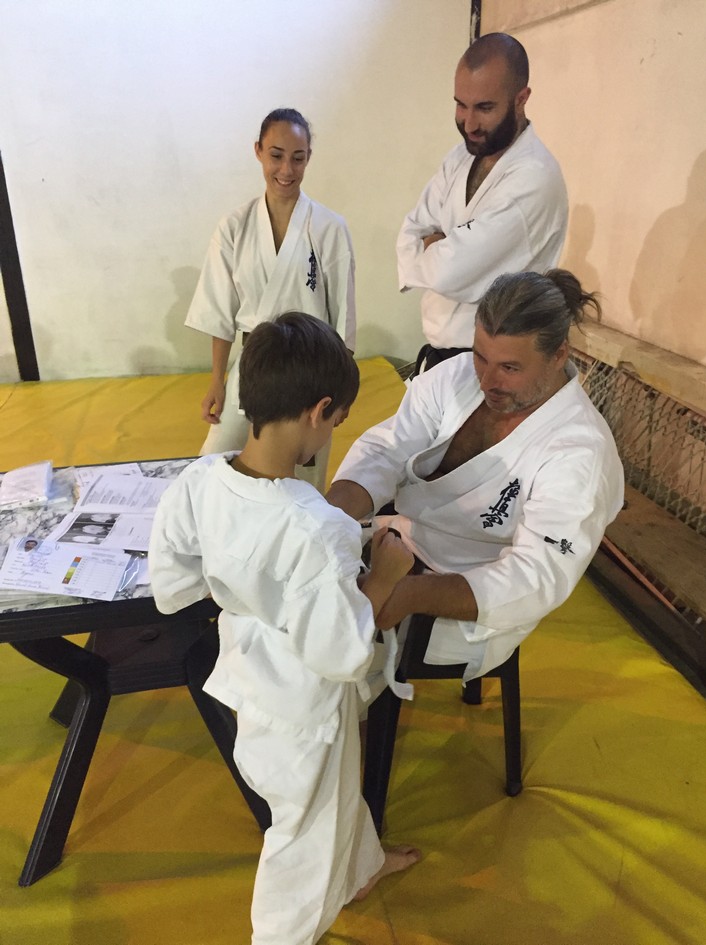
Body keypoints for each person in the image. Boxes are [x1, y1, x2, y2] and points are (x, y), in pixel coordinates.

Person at [149, 313, 420, 945]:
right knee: (301, 836)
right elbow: (342, 653)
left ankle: (361, 869)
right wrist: (383, 575)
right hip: (303, 704)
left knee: (333, 798)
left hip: (250, 674)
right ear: (319, 411)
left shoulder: (201, 479)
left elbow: (172, 583)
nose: (332, 432)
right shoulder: (316, 527)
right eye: (337, 420)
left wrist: (249, 587)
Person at [327, 270, 625, 679]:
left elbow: (537, 576)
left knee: (326, 642)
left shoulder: (579, 450)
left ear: (559, 355)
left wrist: (410, 594)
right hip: (400, 543)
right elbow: (388, 448)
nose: (487, 380)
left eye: (510, 368)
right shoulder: (457, 377)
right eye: (480, 356)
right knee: (299, 589)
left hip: (475, 596)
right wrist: (326, 518)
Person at [185, 108, 356, 491]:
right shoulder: (234, 226)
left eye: (298, 158)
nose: (286, 170)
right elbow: (219, 309)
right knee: (214, 464)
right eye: (276, 156)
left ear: (308, 157)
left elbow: (343, 316)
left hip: (311, 369)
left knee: (303, 479)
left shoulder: (329, 228)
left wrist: (341, 394)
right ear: (258, 151)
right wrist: (217, 381)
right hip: (253, 361)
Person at [397, 32, 568, 374]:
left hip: (495, 367)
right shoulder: (460, 157)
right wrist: (441, 247)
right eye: (461, 104)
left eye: (485, 108)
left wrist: (438, 245)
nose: (469, 123)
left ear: (521, 99)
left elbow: (448, 271)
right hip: (440, 358)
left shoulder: (533, 178)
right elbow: (410, 232)